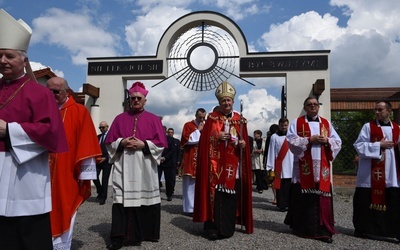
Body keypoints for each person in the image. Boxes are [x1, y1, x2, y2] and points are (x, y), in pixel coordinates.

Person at [0, 9, 68, 250]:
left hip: (25, 172)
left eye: (9, 55)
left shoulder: (40, 93)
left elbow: (51, 133)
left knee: (26, 232)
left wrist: (9, 130)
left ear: (24, 60)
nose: (3, 61)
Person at [105, 81, 167, 249]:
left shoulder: (153, 119)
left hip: (145, 166)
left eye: (139, 98)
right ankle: (118, 237)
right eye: (133, 98)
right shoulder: (119, 119)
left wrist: (144, 145)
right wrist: (122, 141)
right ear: (129, 100)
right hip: (123, 164)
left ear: (145, 100)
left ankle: (144, 234)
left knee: (144, 200)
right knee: (120, 200)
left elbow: (161, 144)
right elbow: (109, 142)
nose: (136, 101)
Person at [193, 81, 253, 240]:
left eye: (228, 100)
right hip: (215, 164)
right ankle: (212, 227)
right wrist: (217, 137)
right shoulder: (213, 118)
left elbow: (244, 142)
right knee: (214, 195)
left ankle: (227, 226)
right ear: (219, 103)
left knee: (230, 195)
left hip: (233, 164)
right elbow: (205, 140)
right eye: (223, 101)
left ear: (233, 102)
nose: (226, 103)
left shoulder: (240, 119)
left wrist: (242, 144)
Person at [46, 76, 102, 249]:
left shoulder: (79, 111)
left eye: (55, 91)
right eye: (47, 91)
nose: (51, 94)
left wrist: (84, 175)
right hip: (39, 170)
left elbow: (86, 141)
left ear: (66, 92)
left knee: (63, 205)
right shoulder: (41, 109)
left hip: (66, 172)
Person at [284, 96, 342, 243]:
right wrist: (310, 140)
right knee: (304, 198)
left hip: (322, 168)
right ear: (305, 107)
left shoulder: (326, 123)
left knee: (321, 198)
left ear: (318, 106)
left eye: (315, 104)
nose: (312, 106)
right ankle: (302, 228)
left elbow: (337, 141)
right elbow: (291, 140)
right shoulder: (297, 122)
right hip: (304, 168)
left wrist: (327, 141)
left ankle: (324, 230)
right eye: (309, 104)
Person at [353, 100, 400, 242]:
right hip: (370, 174)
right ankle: (363, 229)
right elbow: (359, 146)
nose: (377, 112)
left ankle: (393, 231)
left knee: (393, 202)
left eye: (380, 110)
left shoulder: (397, 129)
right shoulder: (368, 127)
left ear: (389, 111)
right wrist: (379, 145)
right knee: (365, 202)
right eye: (376, 110)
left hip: (391, 173)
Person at [180, 108, 206, 214]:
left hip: (201, 157)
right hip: (190, 157)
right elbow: (186, 140)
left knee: (200, 184)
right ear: (195, 115)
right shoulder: (188, 125)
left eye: (204, 117)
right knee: (190, 184)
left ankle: (199, 207)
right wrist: (198, 131)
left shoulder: (206, 125)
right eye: (200, 117)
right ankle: (190, 208)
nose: (202, 120)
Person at [266, 117, 294, 211]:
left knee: (290, 186)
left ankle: (290, 204)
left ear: (288, 125)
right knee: (281, 187)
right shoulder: (274, 137)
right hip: (280, 165)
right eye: (282, 125)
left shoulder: (292, 135)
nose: (284, 127)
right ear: (279, 125)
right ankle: (281, 205)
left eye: (285, 125)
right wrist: (270, 167)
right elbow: (271, 151)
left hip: (291, 164)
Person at [94, 121, 112, 205]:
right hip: (98, 161)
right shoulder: (98, 137)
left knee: (105, 180)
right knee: (94, 176)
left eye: (103, 127)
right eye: (100, 127)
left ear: (107, 127)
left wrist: (106, 157)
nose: (101, 129)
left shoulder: (111, 137)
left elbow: (113, 149)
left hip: (107, 161)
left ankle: (103, 197)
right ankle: (100, 191)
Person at [158, 126, 177, 201]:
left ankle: (169, 194)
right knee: (157, 179)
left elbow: (172, 151)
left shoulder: (171, 139)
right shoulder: (157, 139)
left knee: (169, 180)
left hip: (168, 162)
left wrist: (165, 158)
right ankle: (156, 194)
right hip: (158, 162)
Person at [264, 124, 279, 204]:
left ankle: (276, 197)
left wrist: (265, 162)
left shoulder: (270, 137)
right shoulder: (273, 137)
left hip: (271, 161)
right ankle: (277, 197)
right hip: (278, 160)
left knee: (273, 179)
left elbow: (266, 152)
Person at [167, 127, 181, 195]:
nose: (170, 134)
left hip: (174, 161)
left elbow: (179, 151)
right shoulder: (165, 141)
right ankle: (168, 191)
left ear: (173, 133)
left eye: (171, 132)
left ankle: (172, 188)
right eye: (169, 132)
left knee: (172, 177)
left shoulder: (177, 141)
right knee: (168, 178)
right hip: (166, 162)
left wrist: (179, 160)